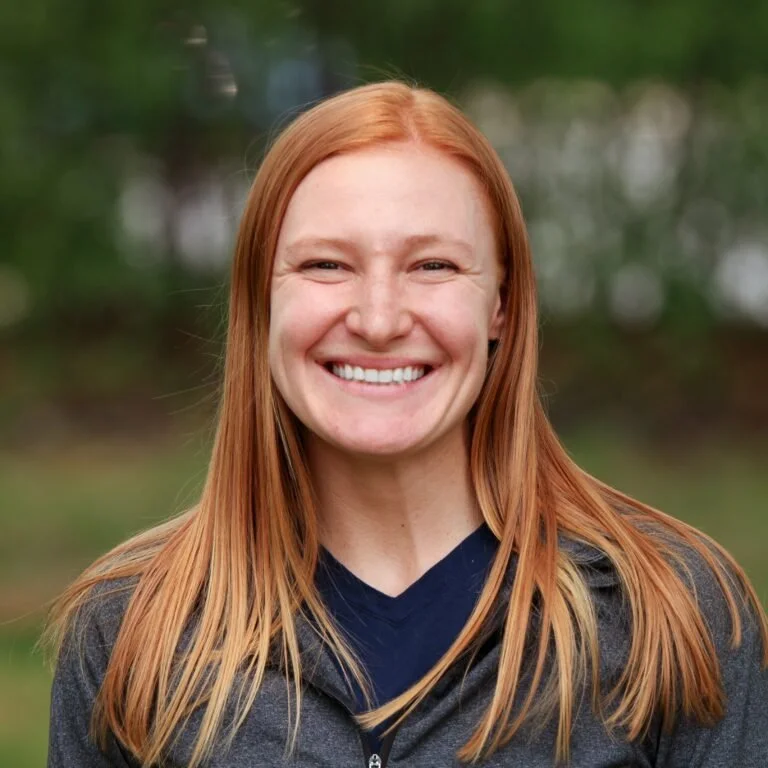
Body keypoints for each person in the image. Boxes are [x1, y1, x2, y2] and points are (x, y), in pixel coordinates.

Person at [45, 81, 768, 768]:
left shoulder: (674, 617)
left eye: (433, 266)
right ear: (261, 304)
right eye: (327, 264)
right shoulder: (131, 634)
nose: (380, 320)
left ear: (502, 308)